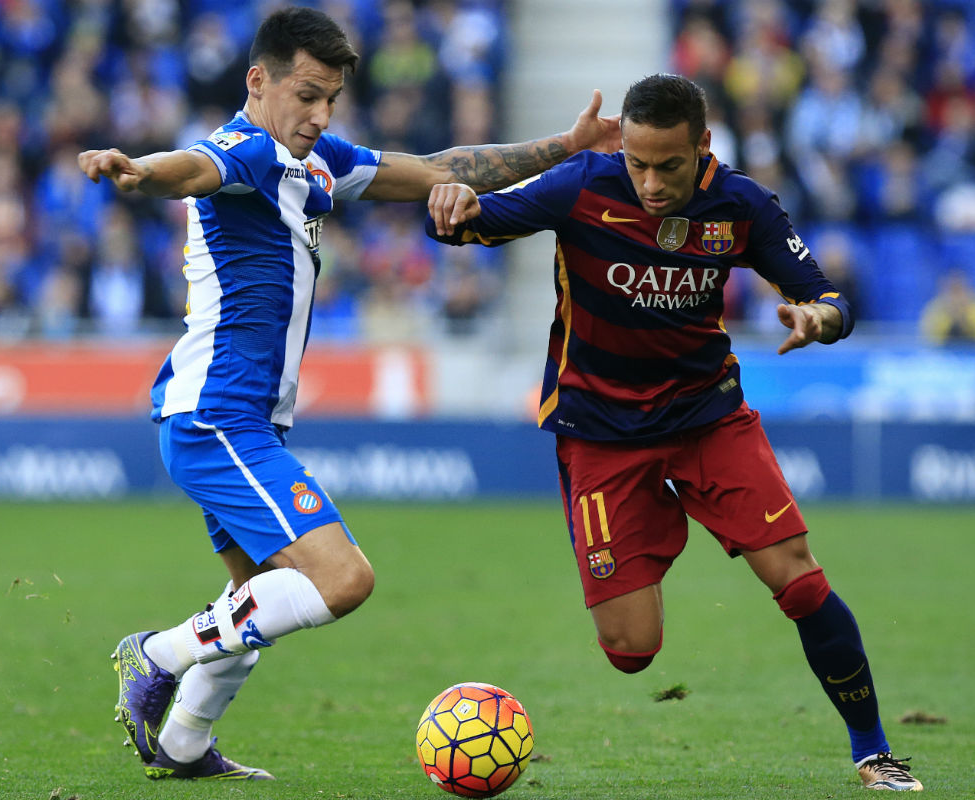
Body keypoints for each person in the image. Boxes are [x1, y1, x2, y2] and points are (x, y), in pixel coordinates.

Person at [77, 6, 620, 783]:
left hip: (235, 415)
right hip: (216, 415)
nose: (320, 113)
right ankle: (155, 655)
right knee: (342, 580)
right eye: (306, 94)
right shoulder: (247, 150)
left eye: (331, 97)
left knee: (257, 597)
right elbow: (190, 167)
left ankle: (185, 743)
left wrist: (563, 149)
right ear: (258, 81)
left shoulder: (316, 161)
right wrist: (139, 171)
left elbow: (437, 168)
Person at [425, 74, 923, 792]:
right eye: (637, 164)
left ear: (704, 147)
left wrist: (818, 320)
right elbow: (463, 220)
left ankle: (874, 753)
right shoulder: (580, 186)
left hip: (706, 418)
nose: (652, 184)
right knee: (632, 650)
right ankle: (659, 517)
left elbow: (828, 296)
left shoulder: (742, 204)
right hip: (598, 430)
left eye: (669, 165)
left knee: (800, 581)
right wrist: (448, 202)